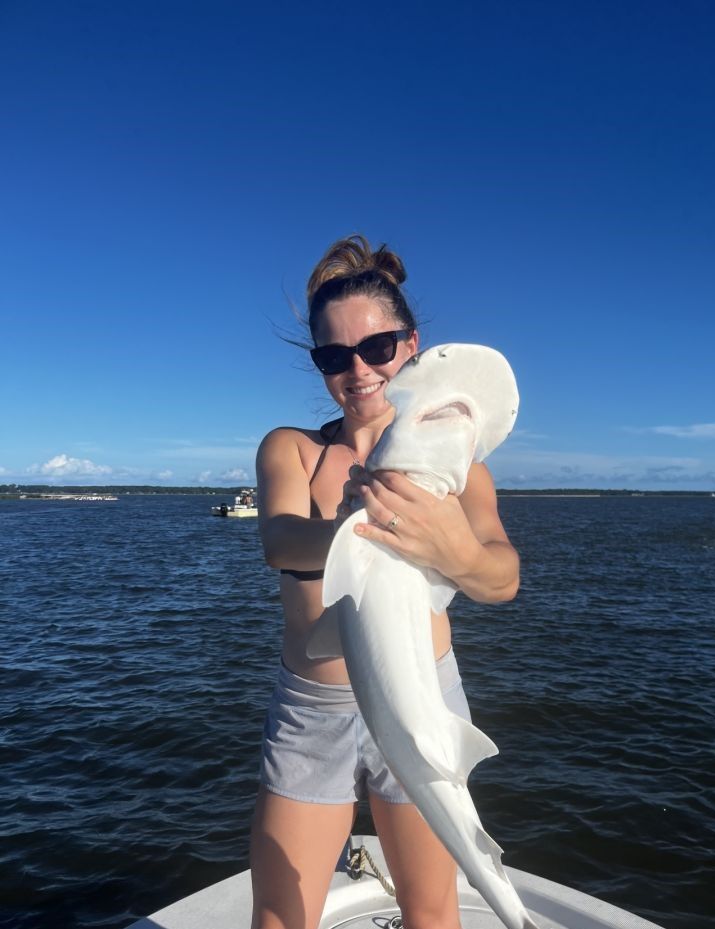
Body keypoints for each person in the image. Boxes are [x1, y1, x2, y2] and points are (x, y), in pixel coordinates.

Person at [251, 235, 520, 929]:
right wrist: (352, 520)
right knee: (278, 918)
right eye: (335, 356)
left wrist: (452, 546)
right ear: (319, 365)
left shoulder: (457, 467)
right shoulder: (294, 448)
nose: (360, 369)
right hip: (314, 707)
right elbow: (279, 541)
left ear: (411, 345)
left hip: (424, 692)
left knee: (432, 909)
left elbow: (501, 577)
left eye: (378, 347)